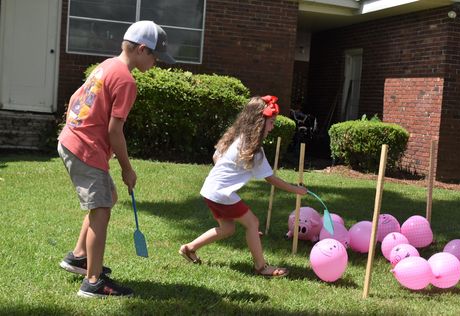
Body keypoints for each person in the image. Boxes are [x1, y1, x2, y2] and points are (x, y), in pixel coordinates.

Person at [57, 20, 175, 298]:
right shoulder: (126, 80)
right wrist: (126, 168)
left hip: (71, 140)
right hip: (85, 148)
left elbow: (76, 97)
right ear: (142, 50)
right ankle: (93, 281)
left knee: (106, 197)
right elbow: (114, 131)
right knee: (102, 210)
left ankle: (78, 257)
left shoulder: (107, 66)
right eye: (155, 57)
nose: (156, 63)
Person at [179, 95, 307, 277]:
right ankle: (261, 267)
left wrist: (227, 173)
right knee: (252, 223)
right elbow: (271, 179)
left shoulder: (235, 139)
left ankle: (189, 248)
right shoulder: (255, 151)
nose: (272, 128)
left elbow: (216, 157)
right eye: (271, 123)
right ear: (259, 123)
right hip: (222, 194)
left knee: (228, 228)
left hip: (210, 190)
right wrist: (297, 190)